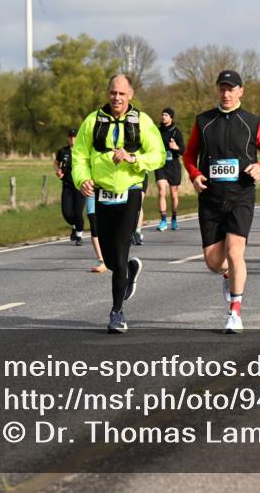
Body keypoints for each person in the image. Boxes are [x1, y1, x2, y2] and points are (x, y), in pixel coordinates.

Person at [182, 70, 260, 334]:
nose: (226, 94)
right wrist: (194, 174)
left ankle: (234, 313)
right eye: (222, 89)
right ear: (218, 90)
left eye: (231, 89)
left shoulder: (251, 121)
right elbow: (190, 155)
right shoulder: (204, 121)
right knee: (214, 262)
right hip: (211, 198)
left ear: (241, 91)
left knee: (236, 252)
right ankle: (227, 275)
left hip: (241, 195)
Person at [72, 74, 165, 334]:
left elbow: (158, 155)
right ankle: (129, 270)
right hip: (101, 193)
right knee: (111, 257)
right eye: (113, 93)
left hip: (130, 191)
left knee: (121, 249)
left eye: (122, 94)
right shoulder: (92, 121)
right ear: (108, 93)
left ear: (130, 95)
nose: (117, 98)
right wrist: (83, 179)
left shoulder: (142, 121)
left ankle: (116, 313)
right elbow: (79, 155)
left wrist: (134, 158)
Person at [154, 107, 185, 232]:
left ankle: (174, 218)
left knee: (173, 194)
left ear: (171, 117)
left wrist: (176, 147)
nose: (163, 117)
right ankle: (162, 220)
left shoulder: (176, 132)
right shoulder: (157, 131)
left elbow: (184, 151)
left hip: (173, 165)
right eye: (162, 115)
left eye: (166, 115)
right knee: (161, 190)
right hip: (160, 165)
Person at [54, 129, 86, 246]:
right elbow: (56, 163)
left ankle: (79, 236)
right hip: (67, 185)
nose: (72, 139)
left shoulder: (83, 151)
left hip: (80, 186)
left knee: (78, 212)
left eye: (74, 136)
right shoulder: (63, 151)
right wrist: (58, 172)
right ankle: (74, 226)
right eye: (70, 137)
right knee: (66, 213)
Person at [85, 194, 107, 273]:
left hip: (109, 196)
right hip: (92, 195)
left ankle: (113, 257)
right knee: (94, 226)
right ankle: (101, 261)